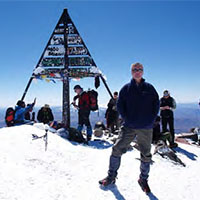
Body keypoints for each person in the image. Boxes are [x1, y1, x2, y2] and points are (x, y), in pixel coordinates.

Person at [99, 62, 159, 194]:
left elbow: (156, 105)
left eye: (139, 69)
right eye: (134, 70)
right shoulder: (126, 89)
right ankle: (111, 177)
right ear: (131, 72)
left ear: (142, 72)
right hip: (129, 126)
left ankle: (143, 179)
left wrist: (151, 119)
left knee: (146, 154)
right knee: (116, 149)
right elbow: (120, 105)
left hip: (145, 127)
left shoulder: (150, 88)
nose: (137, 71)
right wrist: (127, 119)